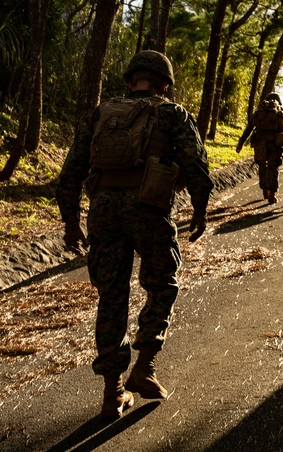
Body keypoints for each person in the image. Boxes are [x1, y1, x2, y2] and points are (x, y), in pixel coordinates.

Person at [55, 50, 213, 421]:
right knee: (162, 284)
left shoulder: (101, 114)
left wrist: (71, 221)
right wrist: (200, 211)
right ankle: (145, 366)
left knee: (112, 296)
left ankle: (112, 393)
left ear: (130, 81)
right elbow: (196, 165)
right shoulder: (172, 113)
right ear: (165, 83)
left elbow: (70, 172)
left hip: (103, 212)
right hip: (149, 209)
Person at [236, 91, 283, 204]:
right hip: (275, 143)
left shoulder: (259, 112)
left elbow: (249, 129)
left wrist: (240, 144)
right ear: (279, 101)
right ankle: (272, 194)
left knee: (262, 165)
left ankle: (264, 189)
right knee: (273, 167)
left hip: (260, 143)